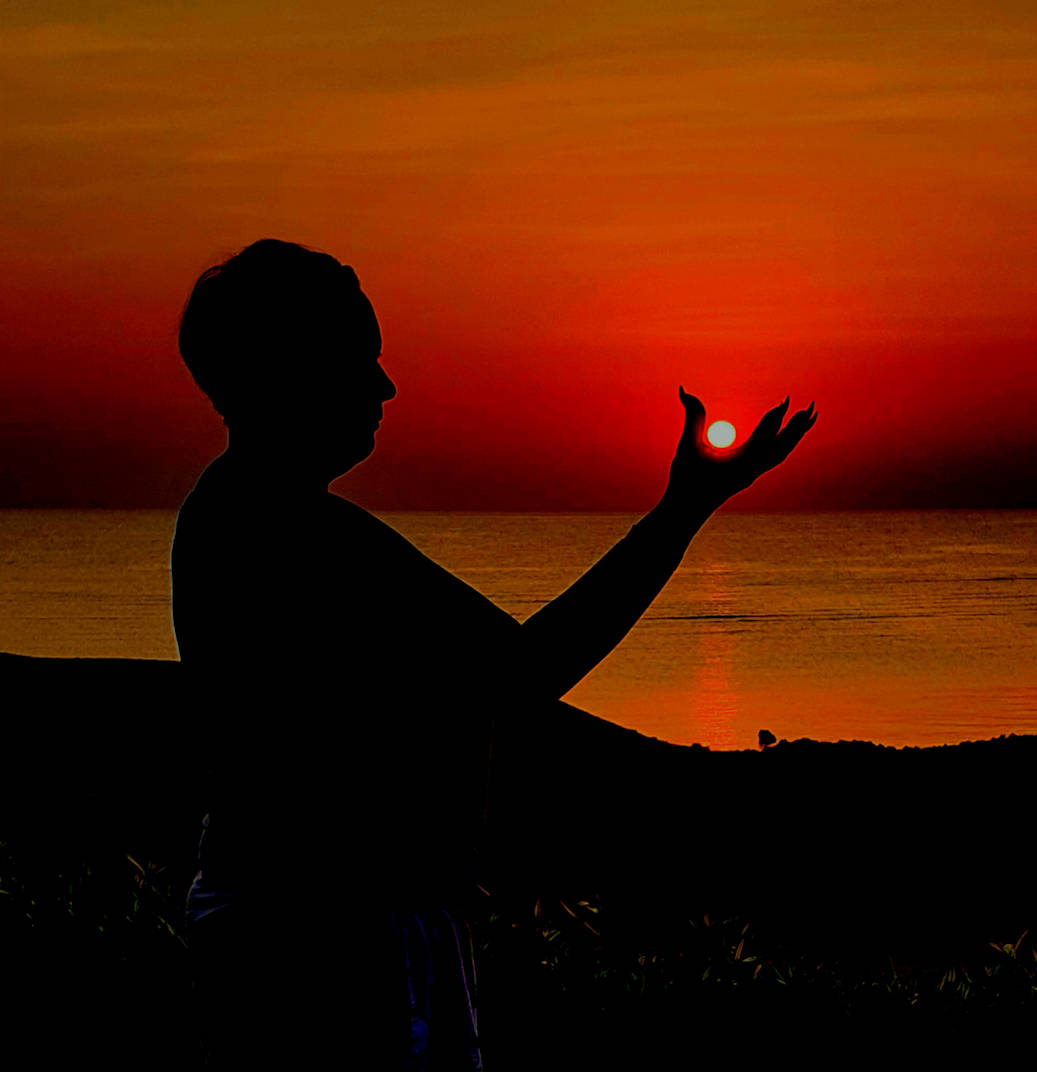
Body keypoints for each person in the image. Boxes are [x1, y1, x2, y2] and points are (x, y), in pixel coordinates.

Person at [171, 238, 816, 1067]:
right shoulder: (293, 533)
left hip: (308, 929)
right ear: (289, 371)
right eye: (359, 360)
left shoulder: (244, 517)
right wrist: (682, 511)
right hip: (329, 948)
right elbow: (526, 670)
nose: (384, 387)